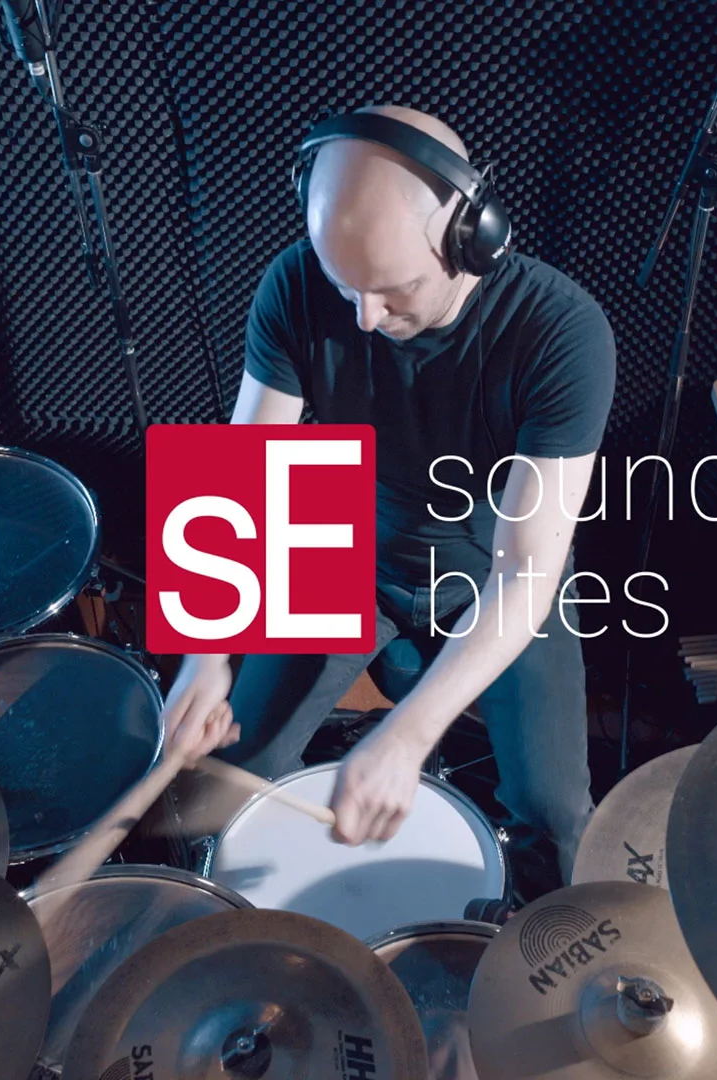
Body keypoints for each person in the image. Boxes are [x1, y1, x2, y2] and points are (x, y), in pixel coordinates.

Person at [161, 104, 616, 895]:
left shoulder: (563, 332)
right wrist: (205, 653)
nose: (365, 318)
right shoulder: (294, 282)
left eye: (393, 289)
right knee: (234, 769)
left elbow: (527, 573)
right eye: (346, 287)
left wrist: (408, 734)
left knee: (554, 812)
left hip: (492, 571)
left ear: (472, 238)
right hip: (339, 537)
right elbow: (244, 468)